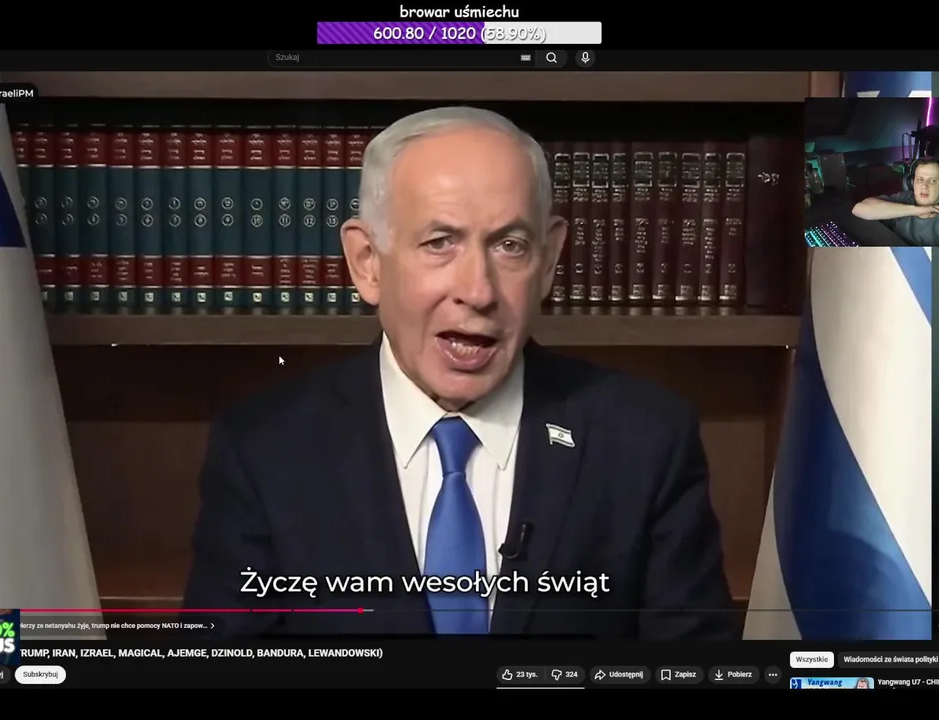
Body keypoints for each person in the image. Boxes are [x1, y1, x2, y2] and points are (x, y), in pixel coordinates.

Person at [183, 107, 734, 639]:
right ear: (367, 263)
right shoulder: (264, 450)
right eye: (439, 243)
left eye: (510, 246)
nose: (478, 291)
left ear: (548, 259)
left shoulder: (646, 442)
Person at [851, 158, 939, 246]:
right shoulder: (904, 199)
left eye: (932, 180)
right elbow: (859, 209)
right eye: (920, 179)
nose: (924, 186)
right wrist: (915, 210)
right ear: (911, 182)